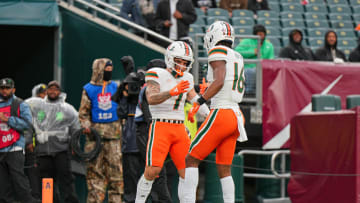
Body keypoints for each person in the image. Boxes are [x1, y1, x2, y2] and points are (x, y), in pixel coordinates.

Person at [134, 41, 209, 203]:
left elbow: (193, 99)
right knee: (153, 170)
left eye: (185, 62)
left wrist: (207, 108)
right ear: (170, 58)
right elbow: (151, 98)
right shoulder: (156, 73)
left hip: (179, 129)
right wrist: (171, 92)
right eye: (179, 61)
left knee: (187, 173)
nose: (182, 65)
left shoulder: (188, 77)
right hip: (160, 126)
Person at [181, 21, 248, 203]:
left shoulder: (217, 51)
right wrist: (207, 90)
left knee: (191, 159)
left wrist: (201, 100)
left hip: (222, 112)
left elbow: (219, 81)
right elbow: (226, 82)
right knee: (224, 168)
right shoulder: (238, 55)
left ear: (213, 36)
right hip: (236, 115)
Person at [25, 80, 80, 203]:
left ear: (59, 92)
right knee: (46, 181)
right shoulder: (37, 106)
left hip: (61, 150)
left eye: (56, 89)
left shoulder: (67, 109)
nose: (53, 92)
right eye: (50, 89)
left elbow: (75, 128)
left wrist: (75, 146)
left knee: (66, 179)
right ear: (47, 91)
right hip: (43, 152)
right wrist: (28, 140)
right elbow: (28, 122)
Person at [78, 59, 123, 203]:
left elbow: (122, 109)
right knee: (94, 175)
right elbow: (83, 113)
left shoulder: (115, 87)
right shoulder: (88, 89)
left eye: (111, 69)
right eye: (106, 69)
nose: (109, 71)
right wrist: (86, 126)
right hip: (94, 140)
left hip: (114, 139)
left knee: (116, 175)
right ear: (99, 70)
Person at [0, 78, 40, 203]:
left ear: (13, 89)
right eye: (2, 88)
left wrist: (8, 120)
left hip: (15, 148)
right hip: (1, 149)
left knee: (19, 181)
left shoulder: (20, 104)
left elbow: (27, 124)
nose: (4, 91)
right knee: (3, 185)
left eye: (7, 88)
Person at [111, 56, 144, 203]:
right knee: (130, 179)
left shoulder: (146, 95)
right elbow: (121, 113)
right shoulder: (126, 98)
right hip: (130, 144)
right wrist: (124, 95)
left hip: (144, 142)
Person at [234, 24, 274, 96]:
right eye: (258, 34)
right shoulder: (247, 42)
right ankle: (248, 94)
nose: (260, 36)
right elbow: (237, 52)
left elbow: (271, 59)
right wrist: (252, 52)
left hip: (263, 69)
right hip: (247, 68)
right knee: (251, 72)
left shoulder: (269, 45)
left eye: (262, 34)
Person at [23, 83, 48, 200]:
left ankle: (47, 198)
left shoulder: (51, 106)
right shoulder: (30, 105)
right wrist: (28, 142)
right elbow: (27, 125)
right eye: (42, 93)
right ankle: (36, 197)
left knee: (45, 173)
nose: (44, 96)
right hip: (34, 147)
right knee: (33, 173)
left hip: (46, 147)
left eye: (45, 93)